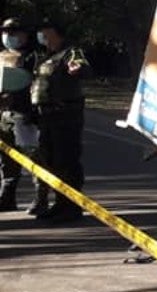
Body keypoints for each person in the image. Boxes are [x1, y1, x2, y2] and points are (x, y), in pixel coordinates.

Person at [30, 19, 90, 222]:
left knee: (67, 161)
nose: (43, 37)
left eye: (47, 33)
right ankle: (59, 203)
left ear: (58, 34)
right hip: (46, 116)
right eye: (41, 34)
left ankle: (71, 207)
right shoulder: (45, 57)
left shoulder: (70, 52)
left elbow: (82, 68)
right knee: (51, 161)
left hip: (65, 116)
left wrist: (77, 69)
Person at [0, 18, 41, 211]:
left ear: (24, 35)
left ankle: (41, 198)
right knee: (6, 159)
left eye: (14, 32)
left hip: (25, 114)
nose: (9, 36)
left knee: (34, 157)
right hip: (3, 115)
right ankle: (7, 196)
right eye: (6, 32)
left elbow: (39, 86)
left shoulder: (34, 57)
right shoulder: (1, 56)